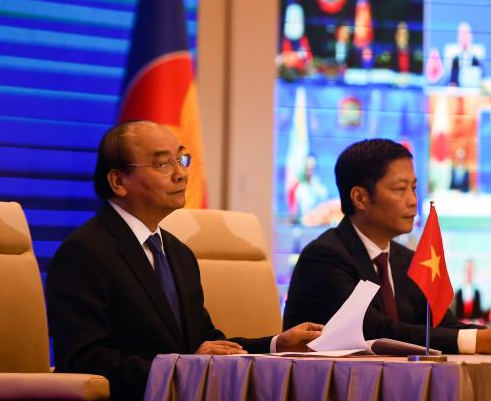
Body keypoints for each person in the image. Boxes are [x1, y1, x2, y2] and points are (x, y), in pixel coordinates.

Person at [46, 121, 323, 401]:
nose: (181, 174)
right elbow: (84, 362)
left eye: (182, 159)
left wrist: (278, 343)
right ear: (119, 181)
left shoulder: (179, 253)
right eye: (163, 164)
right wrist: (183, 365)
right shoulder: (85, 251)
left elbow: (204, 344)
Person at [283, 139, 491, 355]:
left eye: (414, 188)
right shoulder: (325, 258)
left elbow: (440, 324)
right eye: (400, 189)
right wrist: (480, 342)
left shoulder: (405, 259)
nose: (412, 201)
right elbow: (374, 332)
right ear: (360, 198)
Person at [448, 21, 483, 87]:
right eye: (462, 34)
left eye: (466, 34)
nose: (464, 37)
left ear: (471, 36)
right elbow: (452, 81)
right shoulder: (455, 59)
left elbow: (482, 77)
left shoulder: (477, 57)